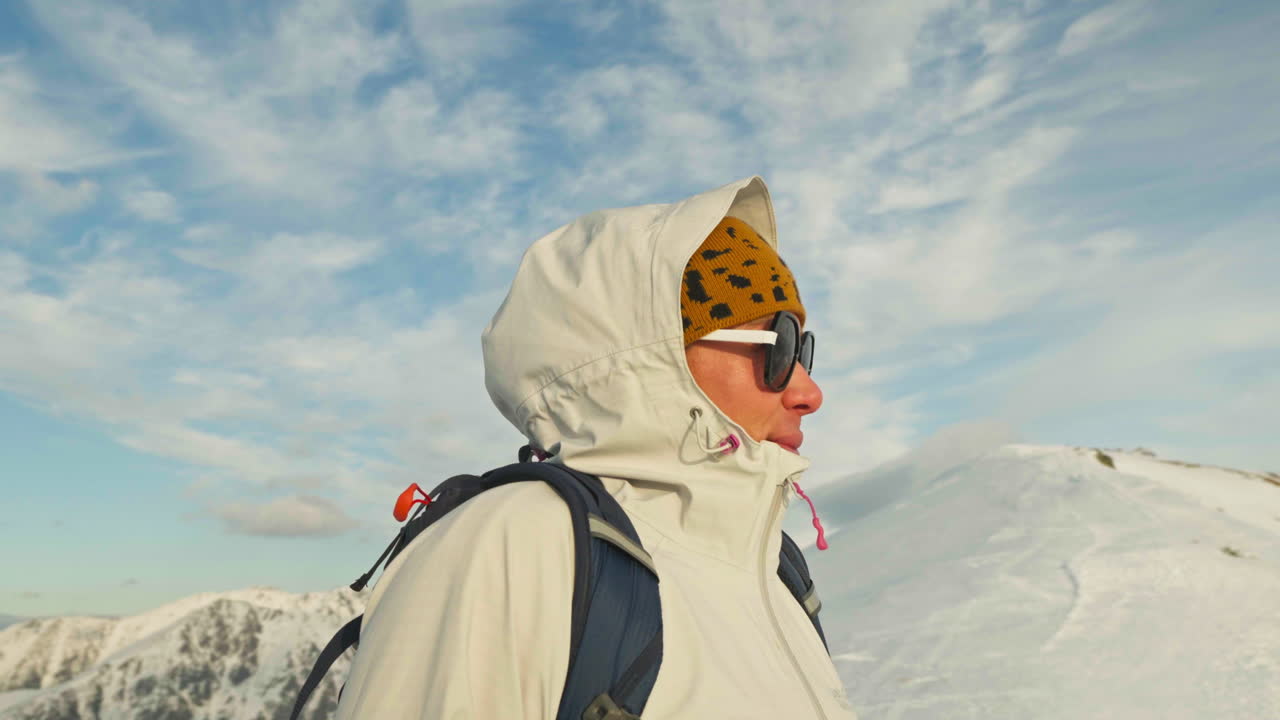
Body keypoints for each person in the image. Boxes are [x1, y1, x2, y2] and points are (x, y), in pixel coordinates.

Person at [333, 176, 857, 719]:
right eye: (779, 345)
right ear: (650, 357)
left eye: (803, 348)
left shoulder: (775, 572)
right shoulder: (513, 545)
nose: (809, 392)